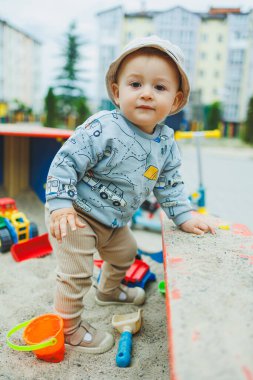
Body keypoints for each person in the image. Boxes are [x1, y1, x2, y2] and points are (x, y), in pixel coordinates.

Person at [45, 35, 215, 354]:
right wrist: (59, 205)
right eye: (135, 84)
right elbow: (65, 161)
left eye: (159, 88)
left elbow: (170, 183)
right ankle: (67, 329)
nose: (147, 94)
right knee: (76, 273)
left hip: (113, 223)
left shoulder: (165, 143)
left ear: (176, 101)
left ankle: (108, 290)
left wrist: (184, 216)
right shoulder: (103, 127)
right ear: (116, 91)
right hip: (75, 214)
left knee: (126, 252)